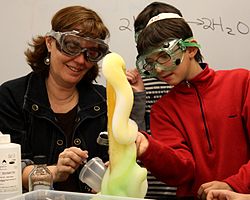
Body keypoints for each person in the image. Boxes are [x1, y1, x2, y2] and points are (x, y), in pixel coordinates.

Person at [131, 1, 250, 199]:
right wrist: (148, 149)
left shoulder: (242, 83)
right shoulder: (164, 110)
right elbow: (181, 171)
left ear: (191, 49)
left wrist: (234, 184)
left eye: (163, 56)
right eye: (151, 63)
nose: (159, 69)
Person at [0, 5, 111, 193]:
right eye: (71, 46)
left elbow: (117, 161)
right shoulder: (13, 96)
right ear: (50, 43)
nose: (80, 60)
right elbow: (8, 172)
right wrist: (55, 172)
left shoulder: (103, 100)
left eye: (91, 53)